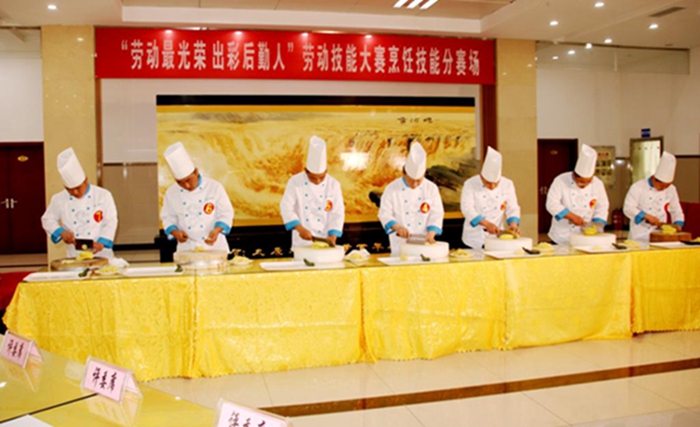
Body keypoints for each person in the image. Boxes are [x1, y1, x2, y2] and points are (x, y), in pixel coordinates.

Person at [41, 147, 118, 258]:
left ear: (86, 180)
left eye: (78, 188)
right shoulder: (58, 199)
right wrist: (62, 232)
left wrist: (101, 243)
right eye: (69, 189)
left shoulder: (103, 195)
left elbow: (111, 221)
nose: (75, 192)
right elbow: (48, 219)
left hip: (102, 254)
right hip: (74, 255)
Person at [160, 142, 234, 252]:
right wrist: (177, 234)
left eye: (188, 180)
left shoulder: (214, 187)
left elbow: (226, 213)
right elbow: (168, 218)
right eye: (180, 182)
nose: (186, 185)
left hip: (215, 247)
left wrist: (217, 230)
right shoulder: (171, 193)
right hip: (187, 248)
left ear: (196, 172)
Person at [378, 142, 444, 256]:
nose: (415, 184)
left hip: (425, 242)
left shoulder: (431, 188)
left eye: (419, 180)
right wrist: (397, 227)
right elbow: (384, 213)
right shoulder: (392, 188)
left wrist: (431, 234)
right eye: (411, 180)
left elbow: (437, 214)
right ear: (404, 173)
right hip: (401, 244)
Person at [280, 136, 345, 247]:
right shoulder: (295, 182)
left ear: (326, 171)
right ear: (306, 171)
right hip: (301, 242)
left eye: (322, 177)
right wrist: (300, 228)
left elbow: (337, 213)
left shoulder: (334, 184)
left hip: (325, 239)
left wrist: (332, 237)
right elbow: (286, 207)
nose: (318, 181)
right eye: (313, 178)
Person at [546, 143, 610, 245]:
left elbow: (602, 205)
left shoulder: (598, 184)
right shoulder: (560, 180)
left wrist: (597, 224)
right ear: (574, 175)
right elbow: (552, 204)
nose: (584, 185)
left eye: (588, 181)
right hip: (562, 236)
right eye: (581, 181)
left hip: (586, 236)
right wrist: (572, 216)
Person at [460, 147, 521, 249]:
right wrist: (486, 224)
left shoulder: (507, 184)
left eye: (495, 183)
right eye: (488, 183)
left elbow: (512, 207)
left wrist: (513, 225)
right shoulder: (470, 184)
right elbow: (467, 208)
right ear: (481, 177)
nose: (492, 186)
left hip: (497, 236)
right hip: (474, 237)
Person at [623, 151, 684, 242]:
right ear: (655, 180)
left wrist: (678, 223)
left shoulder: (671, 189)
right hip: (639, 235)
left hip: (659, 234)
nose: (664, 189)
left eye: (667, 186)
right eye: (662, 186)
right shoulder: (638, 187)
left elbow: (676, 210)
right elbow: (628, 208)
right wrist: (646, 216)